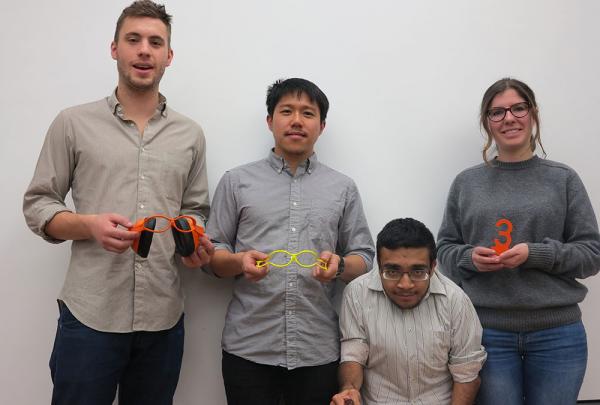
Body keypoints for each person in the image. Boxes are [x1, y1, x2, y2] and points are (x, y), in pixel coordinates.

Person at [22, 1, 213, 404]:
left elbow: (194, 210)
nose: (144, 50)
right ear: (114, 48)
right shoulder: (73, 123)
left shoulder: (191, 134)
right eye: (133, 39)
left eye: (155, 42)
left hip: (163, 317)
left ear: (168, 55)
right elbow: (38, 203)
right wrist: (88, 225)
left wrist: (193, 239)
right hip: (90, 314)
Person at [206, 77, 375, 405]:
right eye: (287, 111)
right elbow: (212, 254)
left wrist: (340, 266)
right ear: (270, 121)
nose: (297, 121)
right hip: (249, 348)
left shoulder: (342, 188)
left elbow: (365, 257)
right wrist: (238, 262)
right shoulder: (236, 181)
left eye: (308, 113)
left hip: (317, 350)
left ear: (321, 126)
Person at [437, 77, 600, 405]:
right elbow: (445, 250)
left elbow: (591, 254)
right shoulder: (466, 183)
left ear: (533, 113)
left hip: (558, 334)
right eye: (497, 112)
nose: (509, 118)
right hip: (486, 333)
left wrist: (535, 254)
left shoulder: (563, 179)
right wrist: (469, 259)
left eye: (518, 108)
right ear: (487, 122)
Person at [330, 218, 486, 405]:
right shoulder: (356, 293)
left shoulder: (456, 300)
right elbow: (353, 356)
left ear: (433, 267)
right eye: (392, 271)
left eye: (418, 272)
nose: (405, 284)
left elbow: (467, 377)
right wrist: (349, 389)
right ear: (379, 265)